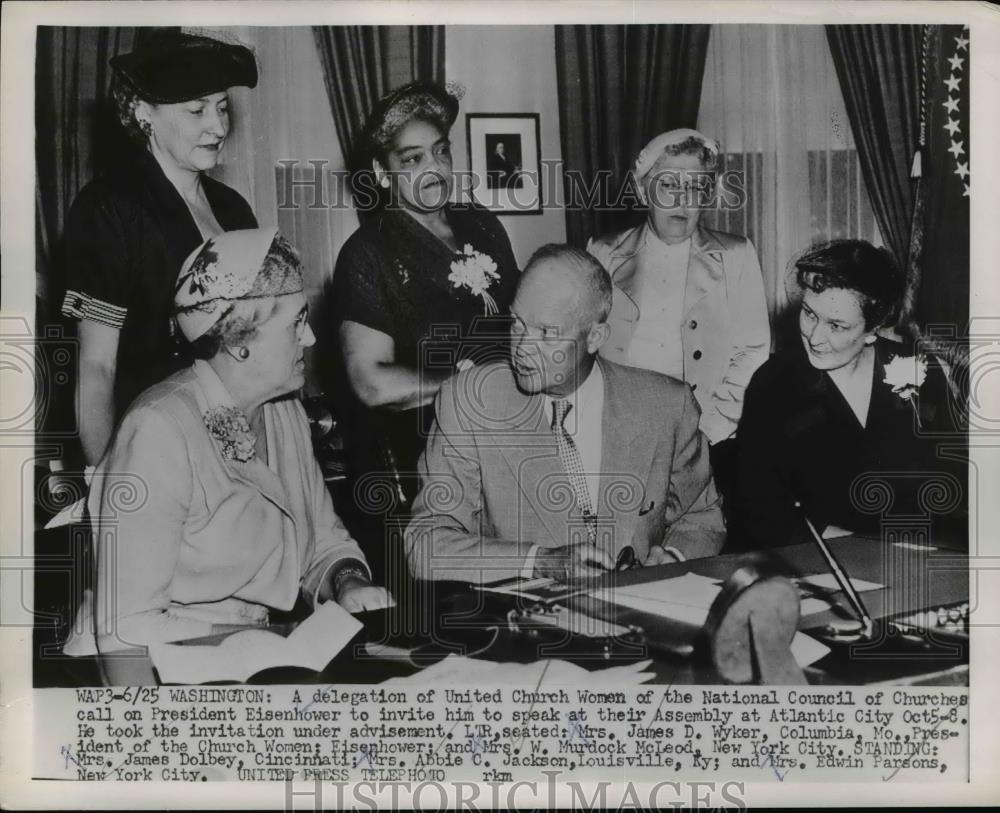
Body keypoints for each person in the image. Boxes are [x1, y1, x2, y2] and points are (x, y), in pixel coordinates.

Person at [64, 229, 393, 663]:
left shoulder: (283, 412)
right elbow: (126, 626)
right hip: (139, 668)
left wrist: (348, 580)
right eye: (296, 322)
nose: (310, 337)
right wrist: (277, 638)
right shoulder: (157, 430)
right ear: (239, 342)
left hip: (248, 657)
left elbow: (324, 543)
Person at [404, 244, 725, 584]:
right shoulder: (470, 403)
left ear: (595, 337)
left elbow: (701, 517)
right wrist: (538, 561)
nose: (522, 349)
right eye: (517, 323)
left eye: (547, 334)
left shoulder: (666, 406)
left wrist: (673, 557)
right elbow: (425, 546)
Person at [330, 81, 519, 573]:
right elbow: (370, 382)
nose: (432, 169)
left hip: (505, 444)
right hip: (420, 461)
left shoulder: (482, 224)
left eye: (440, 152)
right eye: (411, 160)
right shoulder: (366, 252)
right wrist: (471, 388)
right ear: (381, 173)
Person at [60, 30, 260, 466]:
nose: (218, 126)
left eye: (222, 107)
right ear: (143, 112)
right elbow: (97, 370)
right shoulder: (110, 209)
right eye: (196, 111)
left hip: (238, 439)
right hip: (157, 446)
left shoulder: (234, 209)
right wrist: (110, 482)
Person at [733, 240, 965, 550]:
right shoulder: (773, 384)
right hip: (815, 562)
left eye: (837, 325)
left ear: (873, 329)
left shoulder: (919, 370)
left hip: (917, 560)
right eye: (809, 313)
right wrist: (867, 549)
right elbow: (760, 511)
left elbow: (953, 483)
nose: (815, 337)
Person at [587, 128, 770, 495]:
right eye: (668, 185)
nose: (682, 202)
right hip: (620, 434)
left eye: (696, 188)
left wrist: (709, 431)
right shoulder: (604, 252)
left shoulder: (736, 254)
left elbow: (752, 352)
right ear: (642, 191)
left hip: (707, 438)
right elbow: (584, 346)